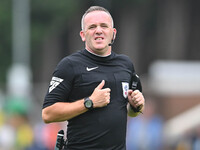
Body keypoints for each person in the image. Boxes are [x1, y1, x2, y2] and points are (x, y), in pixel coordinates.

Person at [42, 6, 145, 150]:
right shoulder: (69, 65)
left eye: (104, 26)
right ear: (83, 35)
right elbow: (48, 114)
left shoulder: (126, 64)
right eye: (92, 27)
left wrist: (136, 106)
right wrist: (89, 102)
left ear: (113, 33)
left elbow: (130, 112)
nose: (98, 31)